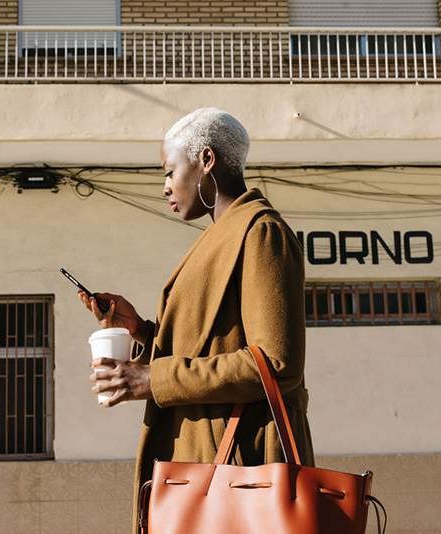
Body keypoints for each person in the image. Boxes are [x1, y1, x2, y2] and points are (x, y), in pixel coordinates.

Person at [77, 107, 314, 532]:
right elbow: (213, 344)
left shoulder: (260, 232)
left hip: (239, 472)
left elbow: (277, 365)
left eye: (171, 171)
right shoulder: (221, 236)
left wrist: (153, 379)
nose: (165, 186)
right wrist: (142, 332)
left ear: (207, 161)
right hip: (200, 464)